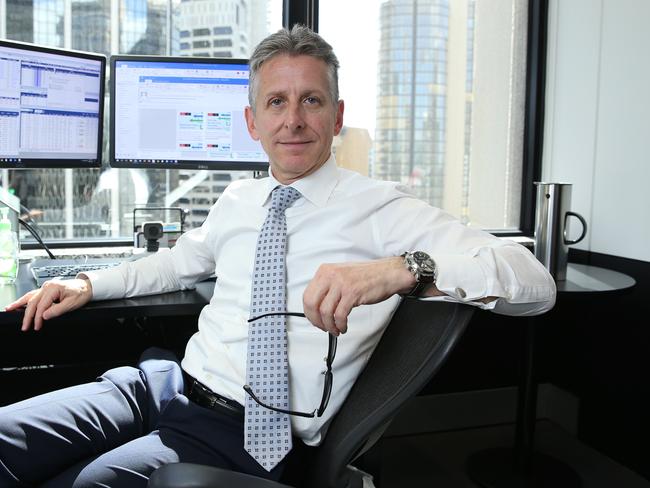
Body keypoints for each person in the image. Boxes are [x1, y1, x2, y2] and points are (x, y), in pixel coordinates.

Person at [0, 25, 556, 487]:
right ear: (252, 123)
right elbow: (175, 263)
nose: (293, 120)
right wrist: (87, 284)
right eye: (276, 102)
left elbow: (535, 283)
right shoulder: (239, 198)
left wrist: (403, 270)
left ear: (336, 117)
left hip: (248, 429)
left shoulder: (383, 208)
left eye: (311, 101)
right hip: (162, 382)